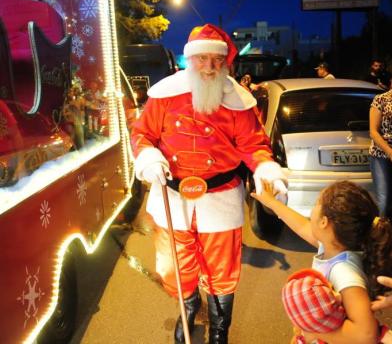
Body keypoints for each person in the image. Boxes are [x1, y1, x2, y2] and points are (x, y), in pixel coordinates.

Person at [130, 23, 288, 344]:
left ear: (225, 62)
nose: (210, 67)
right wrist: (147, 157)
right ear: (190, 60)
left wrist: (265, 166)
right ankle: (188, 308)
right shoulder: (164, 96)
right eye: (202, 59)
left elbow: (253, 143)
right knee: (174, 268)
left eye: (216, 60)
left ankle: (219, 329)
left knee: (221, 273)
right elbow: (143, 135)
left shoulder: (238, 101)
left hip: (220, 197)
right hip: (173, 197)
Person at [251, 180, 392, 343]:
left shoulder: (344, 272)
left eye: (316, 204)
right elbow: (301, 226)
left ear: (324, 222)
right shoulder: (330, 247)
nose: (312, 210)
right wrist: (272, 203)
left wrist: (313, 333)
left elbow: (365, 334)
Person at [369, 86, 392, 220]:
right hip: (381, 154)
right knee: (383, 200)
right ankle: (380, 236)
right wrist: (389, 151)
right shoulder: (381, 99)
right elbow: (373, 131)